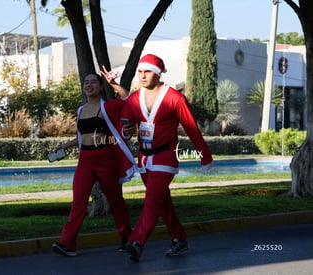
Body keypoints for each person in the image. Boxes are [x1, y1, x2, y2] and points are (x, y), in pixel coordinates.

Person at [120, 54, 213, 262]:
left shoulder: (175, 98)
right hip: (144, 157)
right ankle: (179, 238)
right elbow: (125, 127)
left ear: (158, 74)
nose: (143, 76)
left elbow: (191, 127)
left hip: (165, 156)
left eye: (147, 72)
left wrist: (205, 155)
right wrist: (127, 130)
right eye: (140, 72)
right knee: (162, 203)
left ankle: (137, 241)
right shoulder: (135, 99)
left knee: (152, 200)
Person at [51, 68, 138, 257]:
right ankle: (67, 244)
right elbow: (82, 136)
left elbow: (127, 100)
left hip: (105, 158)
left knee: (115, 201)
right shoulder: (81, 110)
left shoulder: (107, 107)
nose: (89, 85)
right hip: (85, 161)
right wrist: (64, 146)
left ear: (100, 87)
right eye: (86, 82)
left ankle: (127, 237)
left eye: (93, 82)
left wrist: (114, 84)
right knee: (78, 202)